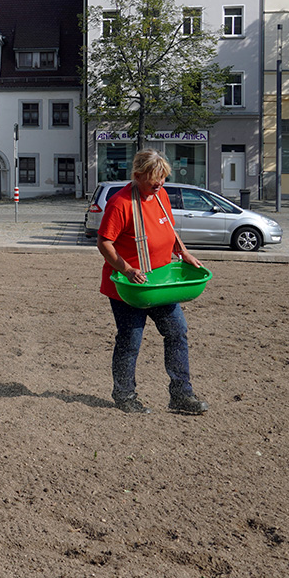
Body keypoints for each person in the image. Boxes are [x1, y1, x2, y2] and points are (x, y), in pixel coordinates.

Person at [97, 149, 208, 415]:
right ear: (137, 176)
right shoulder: (121, 203)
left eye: (162, 178)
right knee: (130, 340)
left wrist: (183, 252)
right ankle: (125, 395)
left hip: (160, 283)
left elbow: (169, 228)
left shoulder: (161, 196)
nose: (159, 184)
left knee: (177, 332)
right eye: (153, 179)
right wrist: (127, 269)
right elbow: (104, 242)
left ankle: (182, 395)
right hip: (129, 288)